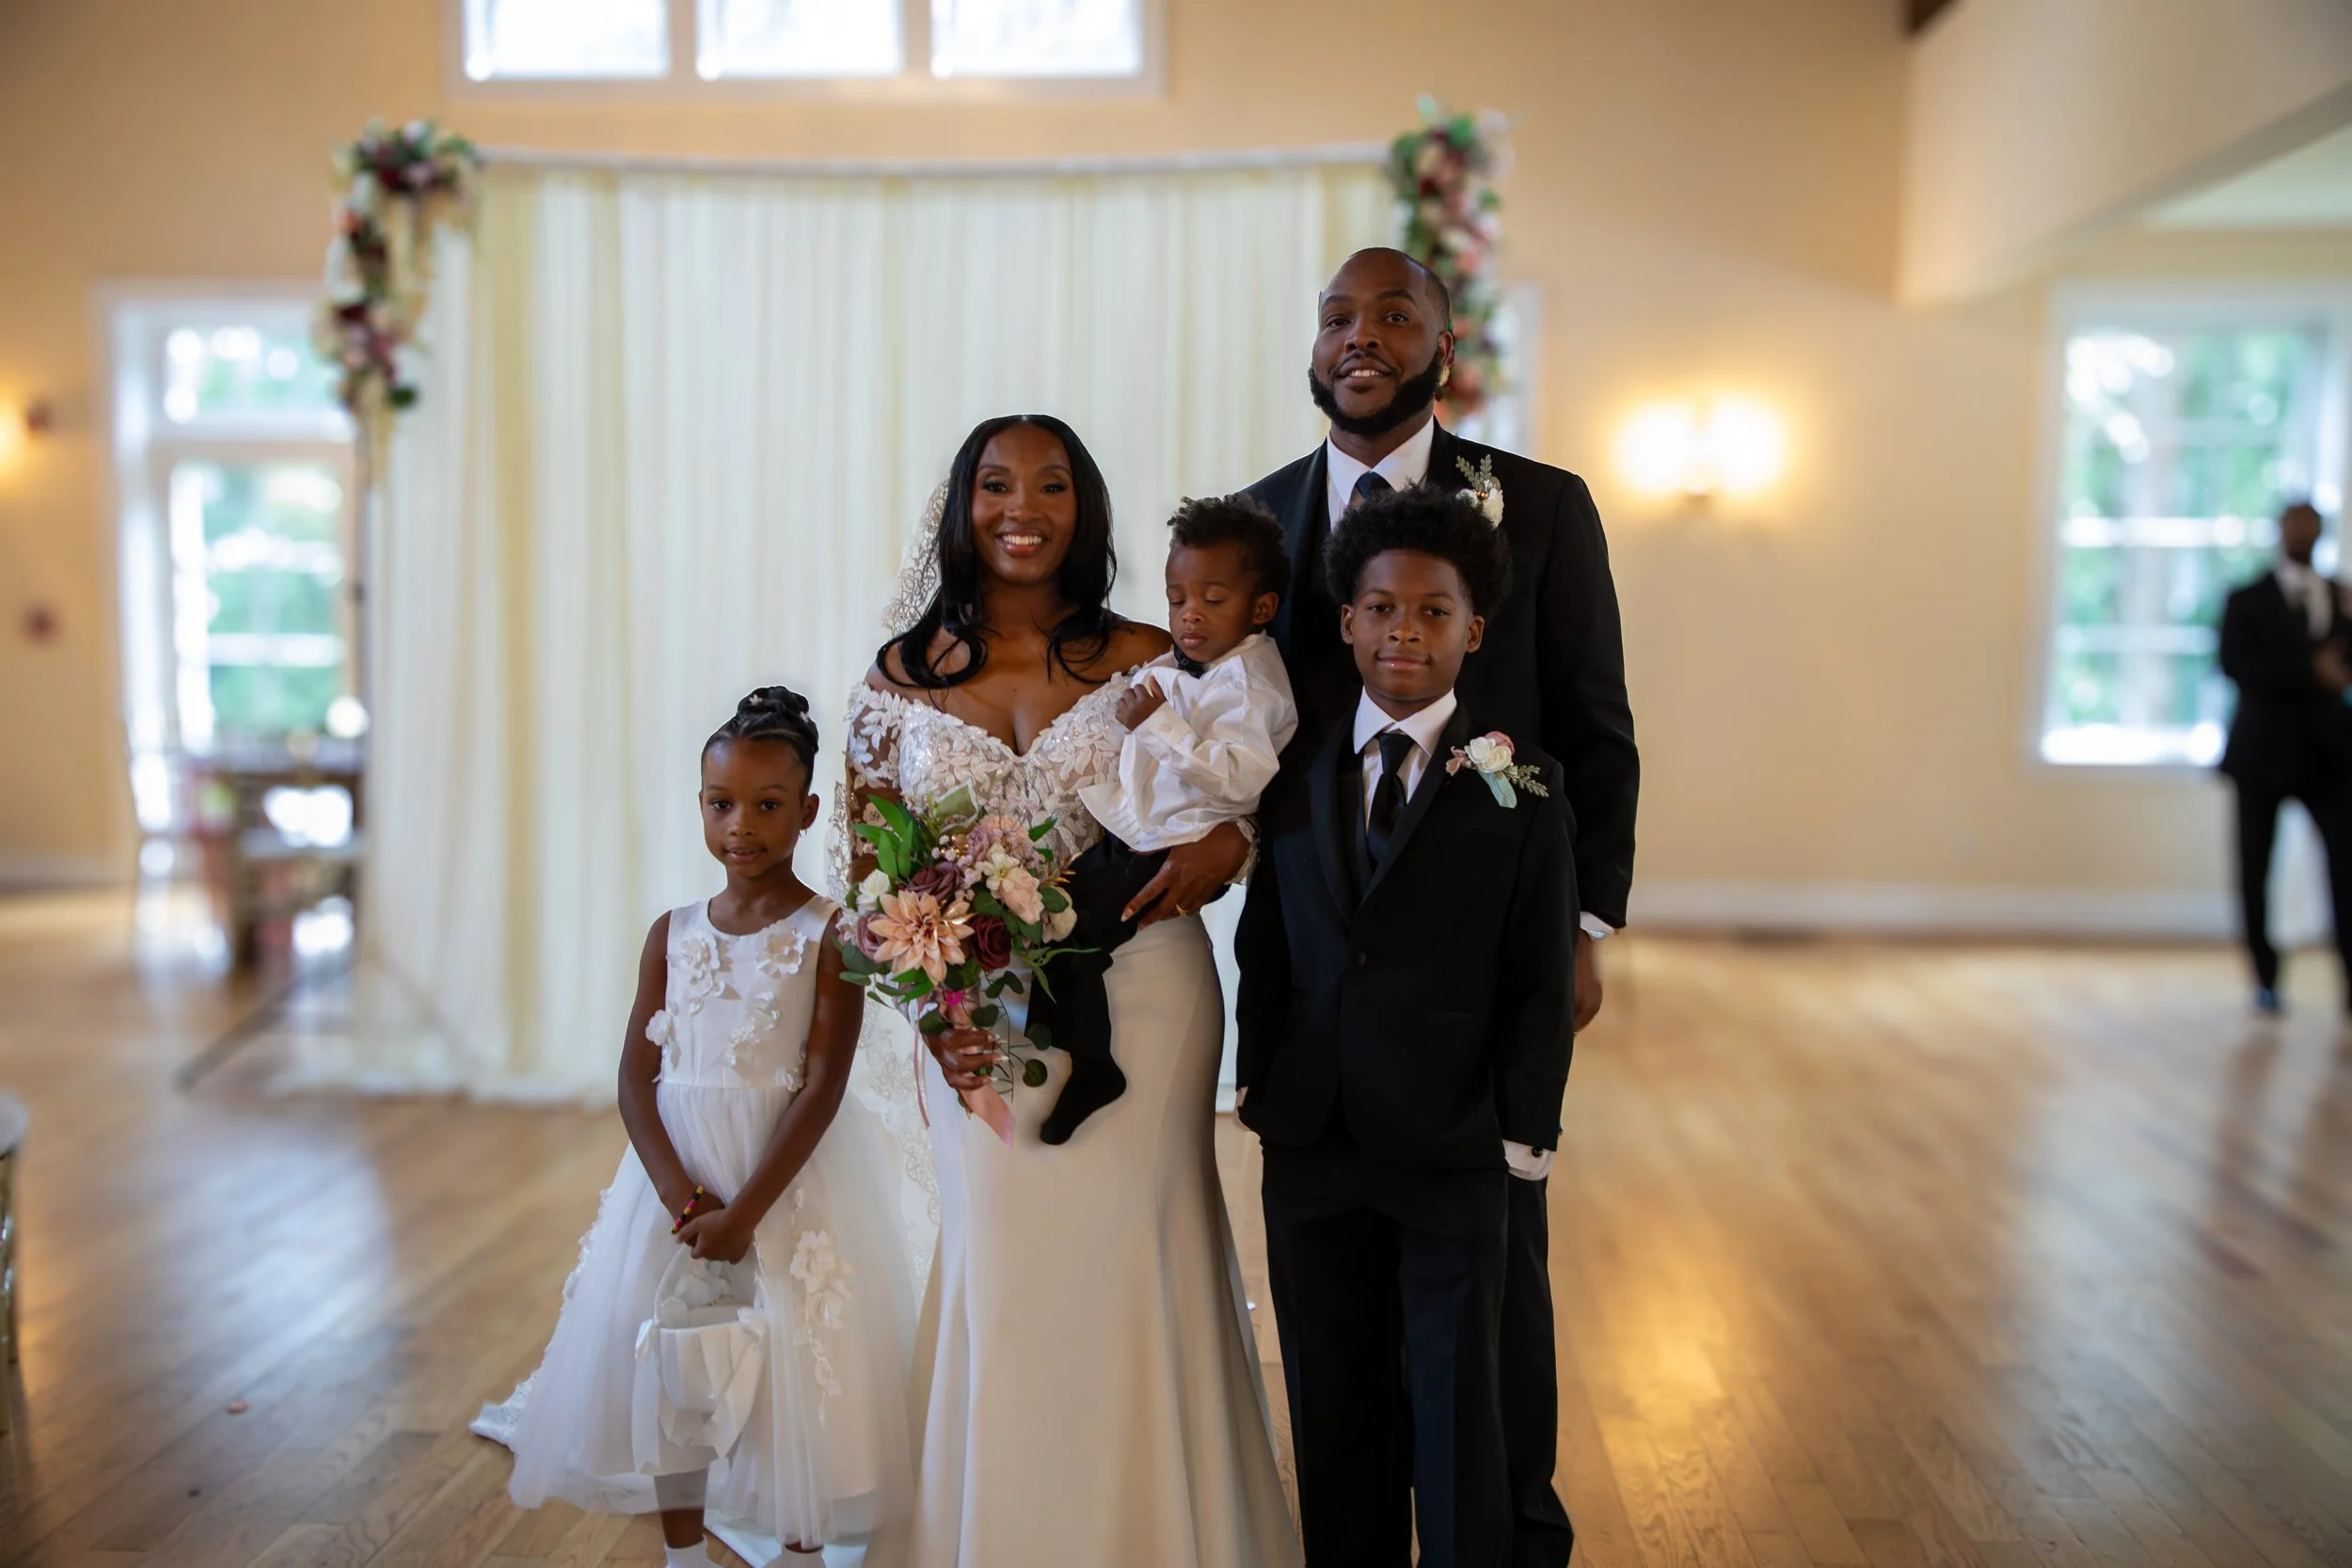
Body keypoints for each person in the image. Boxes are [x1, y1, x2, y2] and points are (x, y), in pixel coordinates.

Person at [840, 416, 1300, 1567]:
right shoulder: (894, 679)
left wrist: (1236, 843)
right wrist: (932, 1011)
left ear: (1085, 508)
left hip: (1149, 990)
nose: (1021, 505)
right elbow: (863, 879)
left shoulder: (1161, 648)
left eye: (1051, 483)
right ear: (961, 506)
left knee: (1139, 1254)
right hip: (978, 1019)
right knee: (1006, 1263)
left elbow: (1251, 759)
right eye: (995, 484)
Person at [1241, 245, 1637, 1566]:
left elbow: (1595, 725)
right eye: (1338, 317)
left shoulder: (1543, 505)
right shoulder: (1260, 524)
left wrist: (1582, 930)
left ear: (1442, 348)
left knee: (1487, 1322)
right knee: (1341, 1356)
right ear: (1312, 349)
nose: (1362, 336)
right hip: (1325, 997)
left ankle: (1508, 1537)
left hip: (1479, 988)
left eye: (1394, 314)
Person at [1236, 486, 1579, 1568]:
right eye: (1381, 608)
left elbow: (1538, 975)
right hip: (1315, 1136)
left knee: (1455, 1400)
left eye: (1433, 612)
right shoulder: (1291, 776)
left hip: (1454, 1141)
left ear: (1472, 630)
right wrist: (1261, 1081)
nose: (1403, 632)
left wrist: (1524, 1129)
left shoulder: (1523, 786)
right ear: (1345, 620)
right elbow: (1266, 946)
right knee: (1334, 1399)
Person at [506, 689, 916, 1567]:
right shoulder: (672, 932)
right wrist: (682, 1196)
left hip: (786, 1183)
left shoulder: (830, 934)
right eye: (721, 803)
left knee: (802, 1368)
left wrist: (746, 1214)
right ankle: (683, 1552)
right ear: (699, 803)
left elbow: (821, 1087)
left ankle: (803, 1548)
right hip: (679, 1186)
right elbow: (633, 1076)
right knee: (673, 1364)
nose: (743, 825)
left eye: (769, 806)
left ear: (807, 811)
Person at [1022, 494, 1299, 1144]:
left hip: (1172, 848)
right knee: (1049, 910)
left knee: (1076, 934)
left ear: (1261, 608)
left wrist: (1160, 726)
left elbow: (1241, 776)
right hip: (1136, 830)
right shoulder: (1186, 663)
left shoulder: (1253, 684)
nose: (1188, 615)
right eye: (1178, 598)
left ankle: (1088, 1064)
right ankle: (1048, 1035)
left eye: (1212, 598)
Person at [2217, 499, 2352, 1014]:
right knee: (2255, 869)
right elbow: (2234, 665)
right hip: (2262, 752)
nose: (2303, 536)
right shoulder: (2247, 599)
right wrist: (2310, 672)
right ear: (2279, 532)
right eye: (2295, 527)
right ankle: (2265, 977)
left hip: (2330, 755)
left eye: (2312, 528)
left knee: (2344, 867)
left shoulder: (2339, 596)